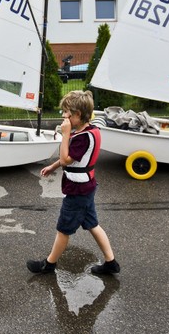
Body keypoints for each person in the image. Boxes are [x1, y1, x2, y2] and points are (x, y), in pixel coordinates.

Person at [27, 90, 120, 275]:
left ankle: (49, 264)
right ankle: (111, 263)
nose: (63, 116)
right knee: (92, 224)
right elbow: (69, 160)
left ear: (77, 114)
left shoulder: (82, 138)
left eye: (66, 113)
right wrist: (53, 167)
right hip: (87, 187)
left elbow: (66, 158)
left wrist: (65, 135)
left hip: (78, 190)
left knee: (63, 229)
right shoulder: (90, 130)